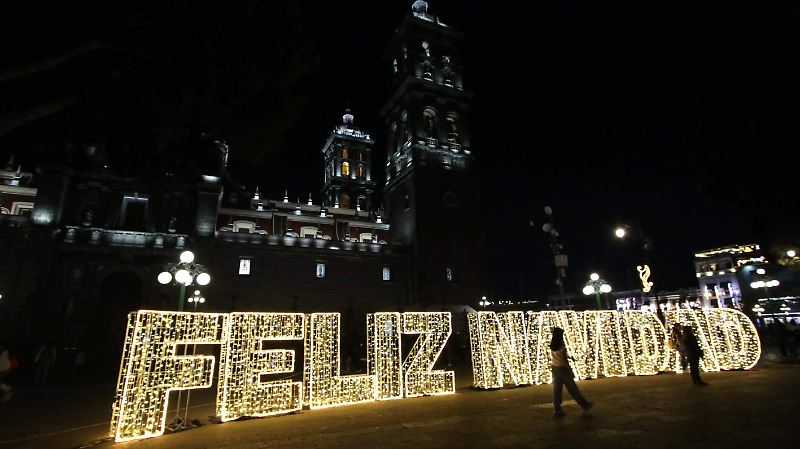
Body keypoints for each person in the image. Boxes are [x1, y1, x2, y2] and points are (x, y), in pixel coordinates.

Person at [550, 327, 593, 417]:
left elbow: (558, 355)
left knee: (557, 389)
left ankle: (557, 409)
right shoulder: (561, 344)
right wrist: (570, 369)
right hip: (562, 368)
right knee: (572, 388)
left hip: (554, 367)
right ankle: (584, 405)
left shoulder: (553, 344)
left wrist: (568, 357)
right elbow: (563, 359)